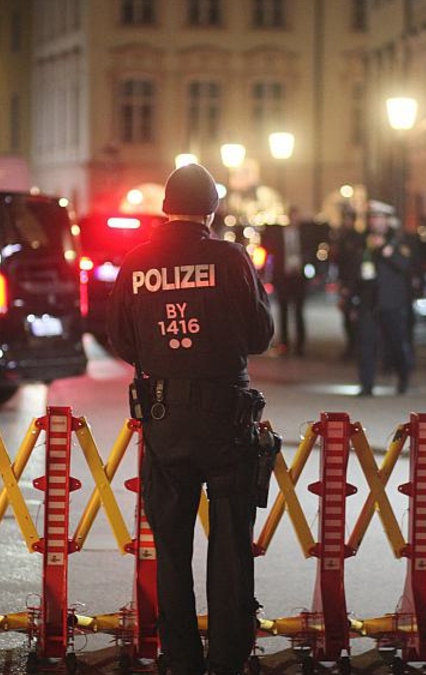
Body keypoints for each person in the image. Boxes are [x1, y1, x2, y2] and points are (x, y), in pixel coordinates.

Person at [107, 163, 273, 675]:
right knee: (230, 548)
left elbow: (120, 338)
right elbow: (261, 335)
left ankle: (180, 659)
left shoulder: (137, 262)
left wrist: (164, 357)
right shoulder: (231, 258)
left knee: (171, 550)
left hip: (164, 418)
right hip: (226, 419)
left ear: (165, 208)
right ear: (212, 211)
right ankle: (227, 660)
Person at [355, 204, 415, 396]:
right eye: (372, 218)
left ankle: (403, 377)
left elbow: (405, 265)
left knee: (396, 343)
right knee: (366, 343)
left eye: (379, 218)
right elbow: (355, 269)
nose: (375, 222)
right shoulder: (363, 241)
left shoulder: (398, 240)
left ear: (387, 220)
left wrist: (385, 250)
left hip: (391, 301)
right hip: (369, 301)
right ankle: (366, 385)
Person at [263, 207, 308, 356]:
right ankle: (285, 343)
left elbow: (307, 253)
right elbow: (273, 253)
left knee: (299, 311)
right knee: (283, 310)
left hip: (298, 277)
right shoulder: (280, 235)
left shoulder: (303, 235)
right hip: (284, 277)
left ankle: (300, 345)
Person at [333, 209, 364, 360]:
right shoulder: (342, 237)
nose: (346, 222)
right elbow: (339, 261)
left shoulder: (358, 238)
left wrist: (349, 286)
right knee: (346, 315)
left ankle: (355, 347)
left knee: (354, 315)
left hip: (354, 283)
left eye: (349, 219)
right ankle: (351, 346)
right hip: (345, 280)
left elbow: (355, 265)